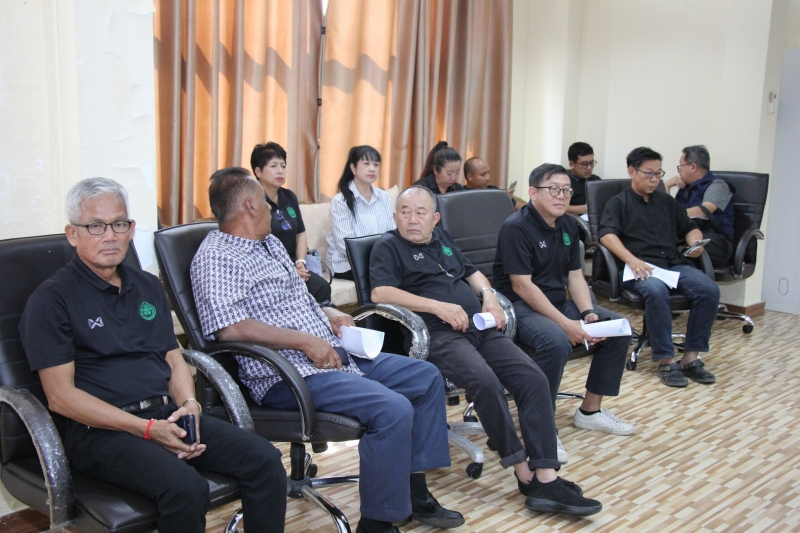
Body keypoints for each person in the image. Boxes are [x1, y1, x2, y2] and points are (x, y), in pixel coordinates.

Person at [190, 168, 463, 533]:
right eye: (267, 203)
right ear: (251, 206)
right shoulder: (217, 257)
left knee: (425, 377)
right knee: (392, 408)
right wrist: (305, 341)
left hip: (331, 354)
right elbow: (231, 327)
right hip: (286, 374)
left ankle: (414, 494)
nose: (274, 209)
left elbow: (296, 299)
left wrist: (329, 312)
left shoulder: (270, 244)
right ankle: (377, 523)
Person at [19, 177, 287, 533]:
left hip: (165, 415)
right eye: (95, 226)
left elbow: (173, 357)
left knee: (265, 460)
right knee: (185, 488)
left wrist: (189, 405)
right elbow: (60, 396)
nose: (110, 236)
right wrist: (146, 429)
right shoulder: (51, 301)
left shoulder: (146, 285)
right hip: (101, 433)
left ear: (131, 230)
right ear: (72, 234)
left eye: (118, 224)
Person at [370, 186, 603, 518]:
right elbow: (380, 292)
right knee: (486, 382)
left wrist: (490, 296)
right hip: (437, 334)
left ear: (435, 219)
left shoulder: (442, 238)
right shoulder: (388, 246)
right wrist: (437, 306)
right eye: (405, 212)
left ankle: (546, 476)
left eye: (421, 212)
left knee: (533, 378)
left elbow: (472, 272)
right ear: (395, 217)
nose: (412, 219)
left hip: (478, 326)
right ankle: (524, 472)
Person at [493, 163, 634, 465]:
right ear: (533, 193)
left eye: (567, 190)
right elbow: (522, 286)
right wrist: (567, 324)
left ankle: (590, 411)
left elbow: (575, 277)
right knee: (555, 341)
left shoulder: (568, 226)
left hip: (557, 302)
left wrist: (588, 312)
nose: (562, 196)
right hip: (520, 306)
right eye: (554, 189)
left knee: (616, 327)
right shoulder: (516, 228)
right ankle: (542, 428)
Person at [599, 147, 721, 388]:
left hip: (671, 264)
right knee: (656, 290)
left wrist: (695, 243)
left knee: (709, 289)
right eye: (649, 173)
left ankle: (691, 358)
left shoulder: (666, 202)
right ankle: (666, 361)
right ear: (632, 171)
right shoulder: (618, 203)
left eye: (658, 173)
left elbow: (689, 227)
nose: (654, 179)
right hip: (640, 267)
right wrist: (631, 259)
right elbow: (607, 236)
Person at [251, 142, 332, 303]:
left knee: (322, 287)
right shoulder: (252, 201)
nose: (280, 170)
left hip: (294, 265)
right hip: (268, 269)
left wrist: (300, 262)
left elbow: (300, 233)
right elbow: (254, 245)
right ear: (258, 171)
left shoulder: (289, 197)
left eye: (283, 166)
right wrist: (287, 270)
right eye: (273, 166)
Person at [326, 145, 396, 281]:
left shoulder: (384, 197)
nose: (372, 169)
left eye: (376, 165)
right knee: (387, 276)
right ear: (353, 168)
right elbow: (345, 245)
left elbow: (392, 231)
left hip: (381, 260)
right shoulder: (340, 201)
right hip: (347, 264)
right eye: (366, 164)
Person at [665, 145, 734, 268]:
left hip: (714, 242)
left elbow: (704, 211)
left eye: (680, 166)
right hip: (686, 238)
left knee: (674, 257)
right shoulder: (684, 188)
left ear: (692, 167)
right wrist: (666, 187)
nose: (679, 171)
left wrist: (674, 215)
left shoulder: (717, 185)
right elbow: (666, 211)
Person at [565, 142, 602, 216]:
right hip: (575, 220)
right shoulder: (565, 182)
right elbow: (559, 207)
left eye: (591, 163)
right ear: (572, 164)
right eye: (584, 164)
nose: (589, 168)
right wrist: (586, 208)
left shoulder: (596, 180)